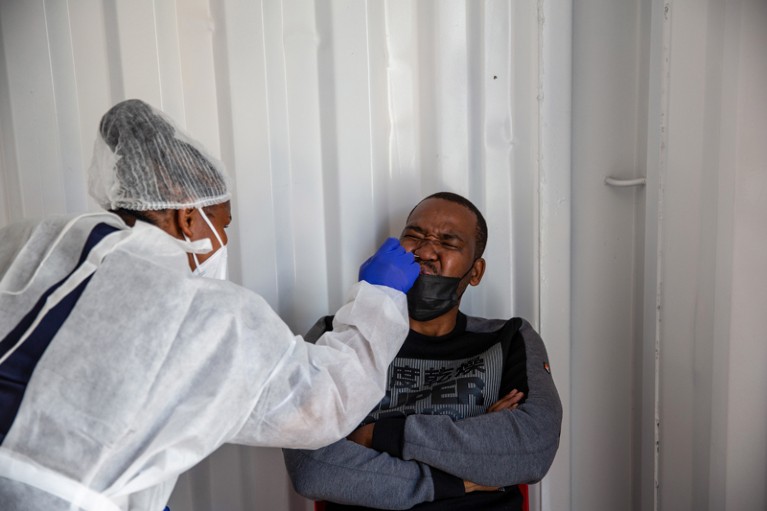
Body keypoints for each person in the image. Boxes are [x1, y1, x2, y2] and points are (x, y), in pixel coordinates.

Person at [0, 99, 420, 511]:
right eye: (223, 222)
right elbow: (319, 405)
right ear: (187, 218)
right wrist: (379, 297)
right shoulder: (203, 313)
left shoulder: (30, 241)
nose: (223, 237)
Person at [283, 192, 562, 510]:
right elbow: (313, 469)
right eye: (414, 236)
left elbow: (529, 449)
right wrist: (456, 477)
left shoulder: (508, 338)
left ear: (475, 272)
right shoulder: (340, 334)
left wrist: (375, 435)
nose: (426, 250)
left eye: (448, 242)